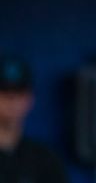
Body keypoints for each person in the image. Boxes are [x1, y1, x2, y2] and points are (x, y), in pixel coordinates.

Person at [0, 54, 68, 183]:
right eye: (4, 92)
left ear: (30, 99)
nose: (12, 99)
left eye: (19, 92)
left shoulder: (45, 159)